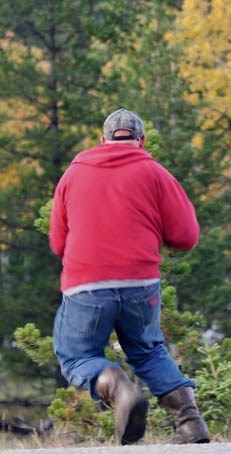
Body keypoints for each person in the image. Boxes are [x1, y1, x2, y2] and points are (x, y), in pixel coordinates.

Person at [49, 108, 209, 445]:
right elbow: (186, 236)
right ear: (142, 140)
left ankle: (117, 387)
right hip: (141, 282)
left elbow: (58, 242)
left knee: (78, 356)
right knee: (149, 351)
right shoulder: (155, 172)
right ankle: (190, 423)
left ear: (102, 139)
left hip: (86, 284)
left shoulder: (73, 174)